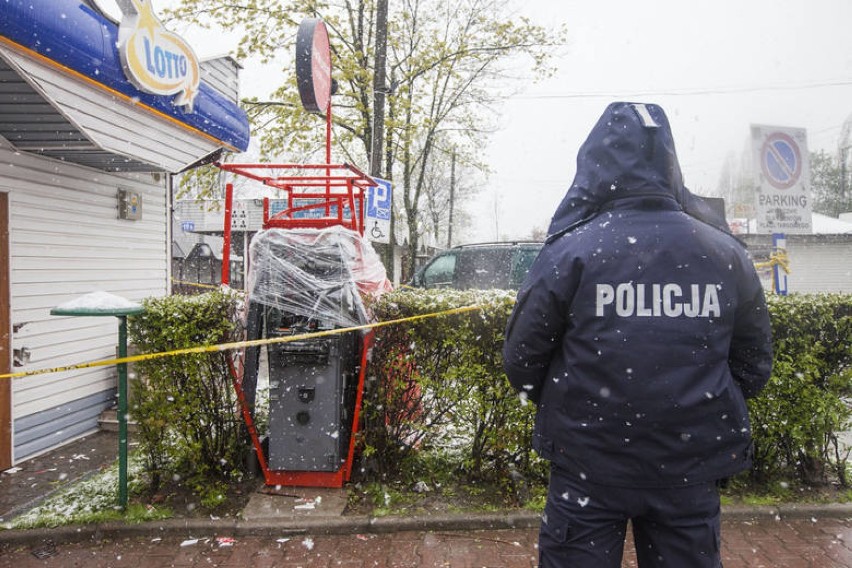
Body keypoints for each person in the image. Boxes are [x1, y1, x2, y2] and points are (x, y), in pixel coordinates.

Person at [502, 101, 773, 568]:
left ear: (595, 162)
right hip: (686, 471)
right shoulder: (724, 253)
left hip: (588, 467)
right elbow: (754, 364)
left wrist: (578, 409)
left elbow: (522, 360)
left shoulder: (572, 249)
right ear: (669, 162)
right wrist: (690, 412)